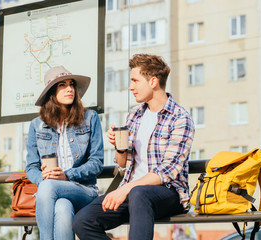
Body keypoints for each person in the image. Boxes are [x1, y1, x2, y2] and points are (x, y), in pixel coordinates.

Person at [73, 54, 195, 240]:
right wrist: (120, 147)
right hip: (133, 193)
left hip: (169, 193)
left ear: (153, 81)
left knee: (139, 193)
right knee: (83, 221)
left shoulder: (180, 118)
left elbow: (167, 171)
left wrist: (125, 189)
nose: (131, 87)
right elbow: (122, 164)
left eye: (135, 81)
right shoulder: (134, 116)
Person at [26, 66, 104, 240]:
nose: (69, 89)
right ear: (51, 92)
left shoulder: (90, 118)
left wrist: (67, 176)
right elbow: (31, 168)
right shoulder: (36, 125)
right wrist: (43, 176)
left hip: (84, 190)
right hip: (53, 194)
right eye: (62, 85)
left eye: (71, 84)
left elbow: (97, 163)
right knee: (62, 207)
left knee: (47, 187)